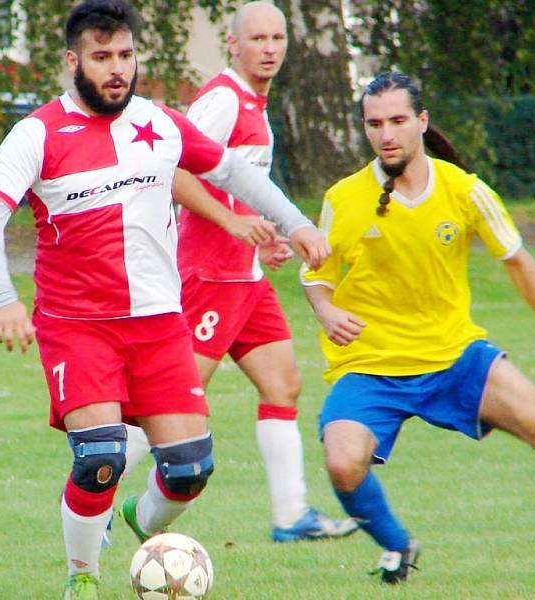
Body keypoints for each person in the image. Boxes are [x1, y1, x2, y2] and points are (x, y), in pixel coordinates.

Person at [0, 1, 329, 598]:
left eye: (126, 56)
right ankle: (81, 579)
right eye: (101, 56)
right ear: (72, 61)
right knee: (100, 456)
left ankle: (145, 531)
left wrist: (295, 221)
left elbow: (233, 172)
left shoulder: (158, 122)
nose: (116, 69)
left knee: (189, 469)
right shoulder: (38, 133)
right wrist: (1, 299)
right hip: (77, 325)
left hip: (160, 323)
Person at [300, 71, 535, 585]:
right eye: (375, 123)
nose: (387, 134)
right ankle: (397, 546)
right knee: (342, 465)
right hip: (369, 365)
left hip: (455, 357)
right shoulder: (343, 198)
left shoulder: (465, 191)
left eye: (399, 121)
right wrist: (325, 308)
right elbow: (314, 274)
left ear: (422, 122)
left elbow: (518, 262)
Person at [119, 1, 358, 544]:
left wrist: (260, 236)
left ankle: (292, 516)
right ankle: (101, 493)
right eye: (258, 39)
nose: (270, 48)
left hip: (244, 277)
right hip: (207, 275)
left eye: (278, 38)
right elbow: (174, 170)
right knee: (172, 402)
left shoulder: (256, 102)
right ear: (233, 44)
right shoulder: (223, 100)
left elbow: (239, 185)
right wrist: (230, 223)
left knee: (283, 383)